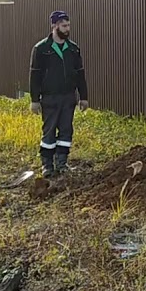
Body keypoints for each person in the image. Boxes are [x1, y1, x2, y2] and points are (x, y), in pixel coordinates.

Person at [29, 11, 89, 177]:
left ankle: (62, 163)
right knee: (49, 131)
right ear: (54, 26)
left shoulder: (73, 49)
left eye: (68, 25)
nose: (67, 29)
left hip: (68, 97)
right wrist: (34, 100)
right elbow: (34, 76)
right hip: (50, 98)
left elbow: (80, 74)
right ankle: (47, 166)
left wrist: (83, 97)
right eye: (64, 26)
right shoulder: (41, 49)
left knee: (66, 131)